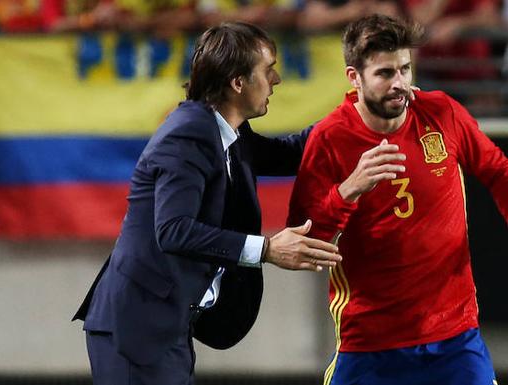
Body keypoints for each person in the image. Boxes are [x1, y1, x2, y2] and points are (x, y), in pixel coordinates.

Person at [287, 14, 508, 385]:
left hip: (455, 339)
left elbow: (499, 171)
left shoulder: (441, 112)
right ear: (354, 78)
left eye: (405, 69)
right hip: (370, 344)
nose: (399, 83)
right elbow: (305, 241)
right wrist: (349, 189)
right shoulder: (329, 138)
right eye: (385, 73)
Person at [72, 22, 342, 385]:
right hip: (137, 328)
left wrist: (357, 114)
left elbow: (291, 154)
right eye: (268, 69)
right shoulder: (188, 133)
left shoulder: (227, 131)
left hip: (165, 325)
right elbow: (173, 230)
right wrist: (267, 249)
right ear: (237, 82)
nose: (276, 79)